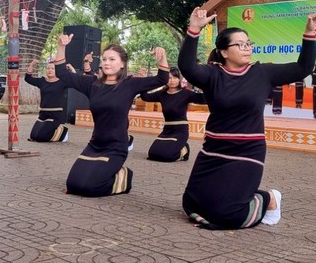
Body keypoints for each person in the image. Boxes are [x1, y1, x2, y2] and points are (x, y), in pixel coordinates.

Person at [178, 7, 316, 229]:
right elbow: (186, 66)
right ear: (224, 52)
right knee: (192, 204)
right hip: (214, 150)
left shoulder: (262, 73)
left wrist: (309, 32)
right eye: (240, 44)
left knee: (228, 215)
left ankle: (269, 198)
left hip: (247, 151)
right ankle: (234, 195)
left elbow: (303, 68)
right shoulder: (213, 74)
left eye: (248, 43)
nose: (247, 48)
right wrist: (194, 29)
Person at [54, 35, 169, 197]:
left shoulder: (130, 84)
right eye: (104, 59)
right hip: (95, 144)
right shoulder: (92, 84)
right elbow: (62, 74)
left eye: (112, 59)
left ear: (122, 64)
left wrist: (162, 56)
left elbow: (162, 79)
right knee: (73, 185)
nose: (106, 63)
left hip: (116, 147)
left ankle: (124, 177)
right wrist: (61, 46)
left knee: (90, 188)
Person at [139, 67, 204, 162]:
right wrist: (143, 80)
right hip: (167, 130)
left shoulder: (186, 93)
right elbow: (145, 97)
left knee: (167, 156)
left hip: (181, 131)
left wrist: (202, 85)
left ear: (179, 79)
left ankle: (184, 149)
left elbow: (203, 100)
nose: (172, 80)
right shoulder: (162, 94)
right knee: (153, 154)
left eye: (175, 77)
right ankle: (178, 148)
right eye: (169, 78)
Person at [25, 59, 70, 143]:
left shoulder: (62, 82)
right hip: (43, 114)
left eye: (53, 69)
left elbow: (74, 80)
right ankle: (52, 131)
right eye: (48, 68)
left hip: (55, 115)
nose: (50, 70)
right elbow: (27, 78)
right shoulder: (42, 81)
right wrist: (32, 64)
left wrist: (71, 69)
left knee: (41, 137)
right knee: (33, 136)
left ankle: (63, 132)